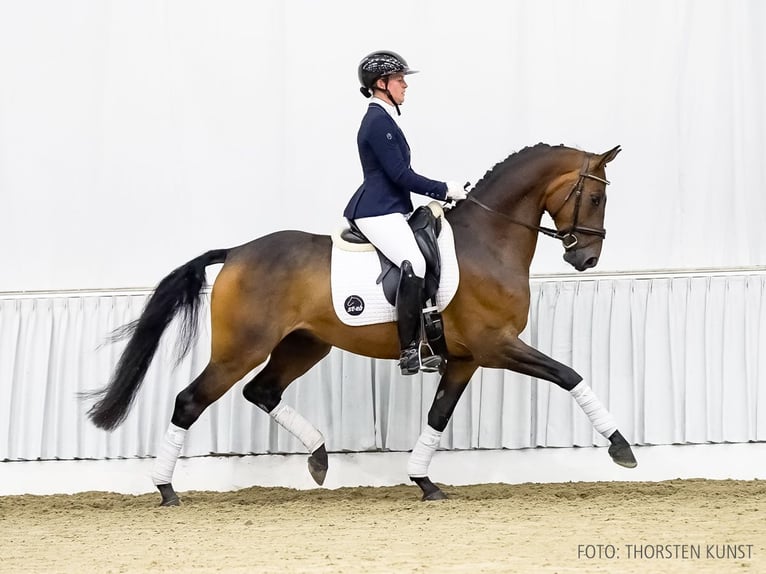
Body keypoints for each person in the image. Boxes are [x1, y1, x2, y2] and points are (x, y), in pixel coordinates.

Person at [343, 50, 467, 375]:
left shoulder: (385, 119)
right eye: (399, 80)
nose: (404, 86)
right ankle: (409, 349)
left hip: (390, 207)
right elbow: (400, 175)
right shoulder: (377, 121)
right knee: (416, 262)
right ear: (381, 83)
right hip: (375, 209)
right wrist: (443, 189)